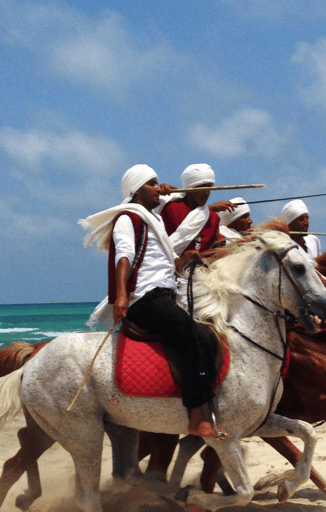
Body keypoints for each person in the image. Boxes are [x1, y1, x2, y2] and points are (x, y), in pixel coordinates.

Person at [81, 164, 224, 439]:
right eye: (153, 183)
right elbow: (123, 255)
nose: (159, 187)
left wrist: (183, 260)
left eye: (159, 182)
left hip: (166, 293)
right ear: (136, 190)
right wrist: (121, 295)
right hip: (145, 298)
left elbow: (163, 260)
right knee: (198, 338)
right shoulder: (127, 218)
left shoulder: (154, 220)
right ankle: (197, 417)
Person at [160, 163, 235, 258]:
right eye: (202, 187)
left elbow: (216, 250)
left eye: (209, 188)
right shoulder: (169, 207)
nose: (206, 193)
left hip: (203, 270)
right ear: (190, 187)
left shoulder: (213, 217)